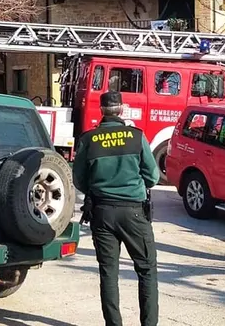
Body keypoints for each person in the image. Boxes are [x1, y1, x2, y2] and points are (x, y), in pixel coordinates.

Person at [73, 91, 160, 326]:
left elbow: (79, 180)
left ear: (101, 111)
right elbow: (153, 176)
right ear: (121, 109)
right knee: (146, 270)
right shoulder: (136, 137)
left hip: (102, 213)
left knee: (108, 273)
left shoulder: (89, 139)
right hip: (133, 212)